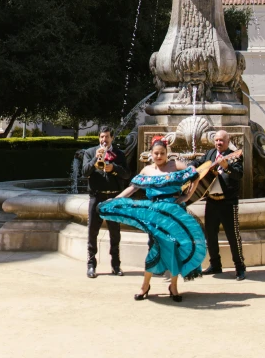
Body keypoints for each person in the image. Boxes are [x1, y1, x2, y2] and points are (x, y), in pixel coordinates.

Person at [98, 136, 206, 302]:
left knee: (175, 248)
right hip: (155, 215)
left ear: (167, 153)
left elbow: (195, 175)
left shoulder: (176, 166)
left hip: (174, 215)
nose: (159, 156)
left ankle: (174, 287)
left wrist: (186, 196)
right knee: (155, 248)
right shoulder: (147, 171)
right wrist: (116, 200)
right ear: (151, 154)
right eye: (156, 153)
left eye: (162, 153)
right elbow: (132, 189)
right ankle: (145, 285)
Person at [191, 129, 246, 281]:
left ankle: (240, 267)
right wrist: (191, 166)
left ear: (228, 142)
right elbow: (197, 162)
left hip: (228, 202)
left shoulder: (235, 156)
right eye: (216, 140)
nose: (218, 143)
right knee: (210, 234)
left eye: (221, 140)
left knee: (233, 236)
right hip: (211, 201)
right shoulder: (209, 154)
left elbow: (239, 174)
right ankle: (215, 264)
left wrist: (227, 167)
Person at [82, 126, 131, 279]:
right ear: (99, 138)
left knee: (115, 233)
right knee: (92, 232)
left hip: (113, 198)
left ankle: (116, 265)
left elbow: (127, 174)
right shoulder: (90, 152)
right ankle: (91, 265)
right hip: (96, 197)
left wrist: (114, 168)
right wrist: (96, 159)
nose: (104, 140)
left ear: (111, 138)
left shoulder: (119, 154)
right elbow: (85, 172)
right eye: (102, 137)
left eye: (107, 137)